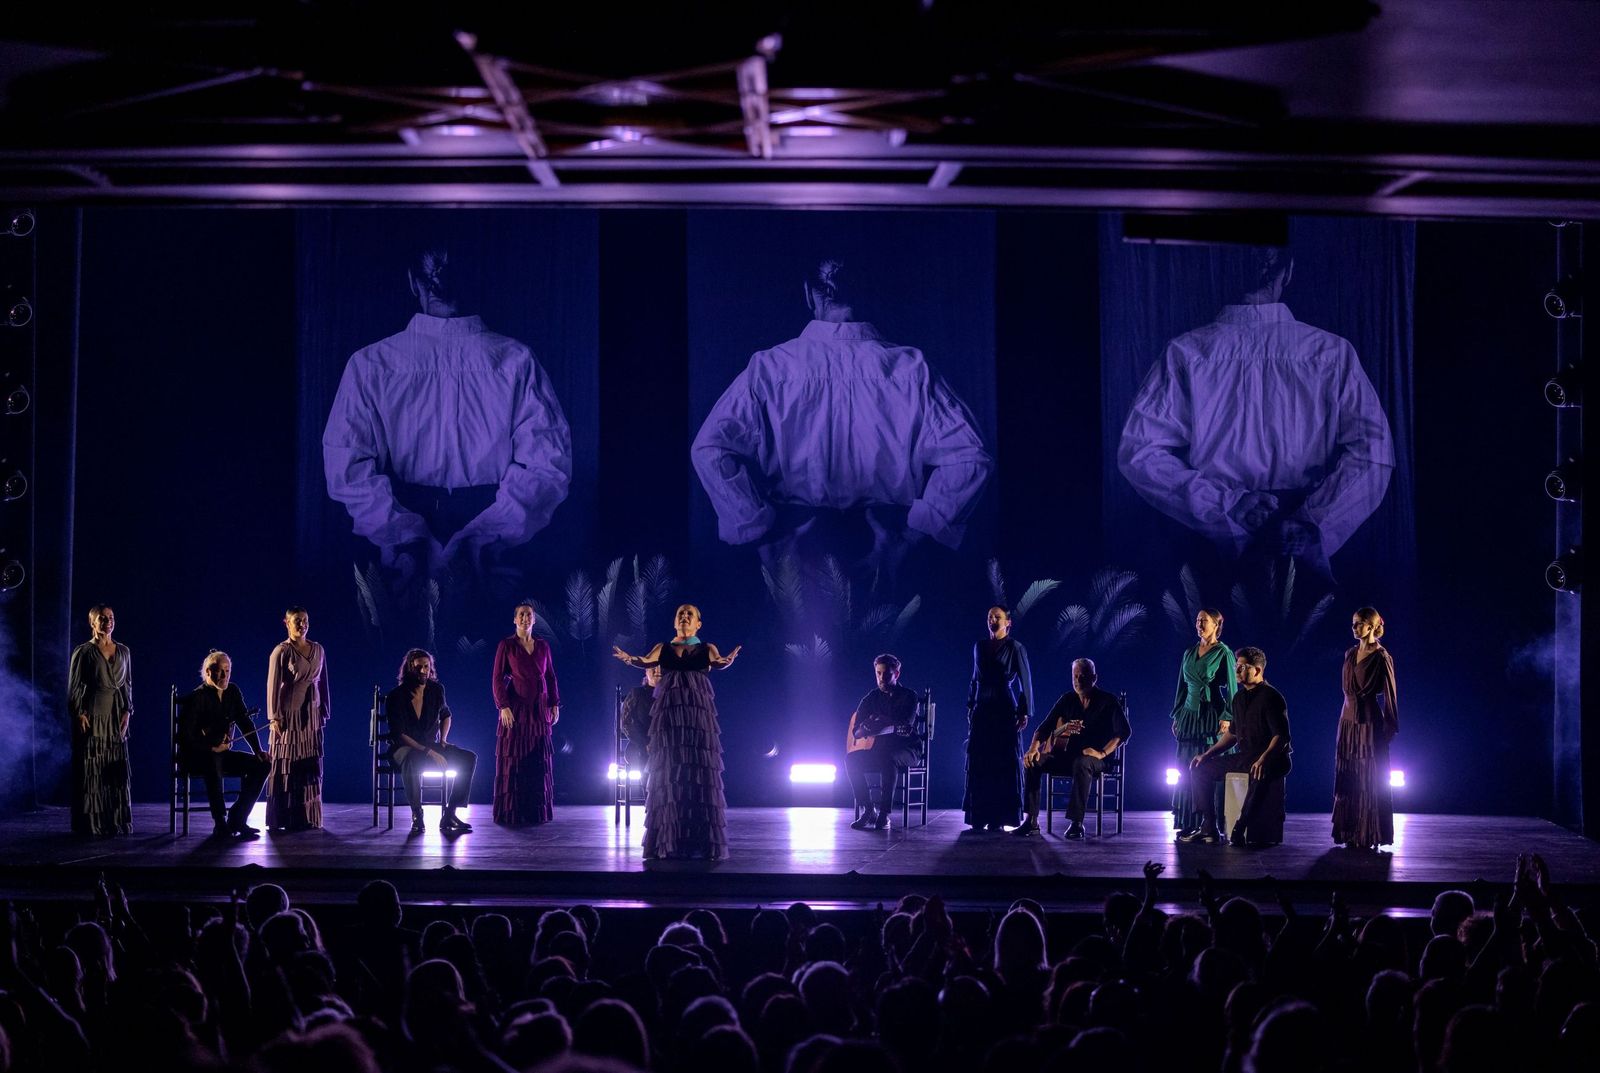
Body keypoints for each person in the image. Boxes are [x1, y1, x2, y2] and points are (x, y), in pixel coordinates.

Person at [690, 259, 992, 582]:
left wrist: (760, 532)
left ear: (809, 294)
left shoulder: (768, 370)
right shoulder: (913, 370)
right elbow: (970, 458)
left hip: (797, 547)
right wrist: (907, 538)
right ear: (867, 291)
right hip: (887, 548)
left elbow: (710, 449)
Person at [1118, 249, 1394, 578]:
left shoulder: (1186, 353)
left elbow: (1138, 453)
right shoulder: (1332, 353)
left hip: (1212, 547)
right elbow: (1375, 453)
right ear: (1288, 272)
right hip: (1294, 542)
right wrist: (1315, 521)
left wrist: (1225, 506)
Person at [322, 244, 573, 586]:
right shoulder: (517, 361)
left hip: (415, 550)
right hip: (493, 546)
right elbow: (549, 464)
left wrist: (403, 535)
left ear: (414, 283)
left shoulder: (370, 364)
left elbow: (347, 467)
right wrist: (490, 534)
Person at [612, 604, 741, 860]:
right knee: (670, 772)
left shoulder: (706, 648)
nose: (684, 617)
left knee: (698, 771)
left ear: (698, 624)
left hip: (697, 715)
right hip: (669, 713)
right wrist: (629, 659)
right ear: (674, 622)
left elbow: (719, 662)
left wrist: (728, 660)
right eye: (680, 613)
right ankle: (669, 840)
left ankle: (700, 841)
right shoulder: (664, 648)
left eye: (689, 614)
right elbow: (644, 661)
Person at [1181, 646, 1291, 845]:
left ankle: (1241, 827)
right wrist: (1206, 755)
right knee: (1201, 768)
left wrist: (1264, 758)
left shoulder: (1272, 697)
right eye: (1236, 666)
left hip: (1273, 757)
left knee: (1259, 772)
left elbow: (1281, 736)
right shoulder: (1238, 698)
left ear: (1257, 670)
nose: (1237, 671)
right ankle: (1209, 826)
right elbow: (1232, 733)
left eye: (1242, 667)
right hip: (1247, 755)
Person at [1015, 658, 1129, 839]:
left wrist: (1101, 753)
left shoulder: (1108, 701)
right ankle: (1032, 821)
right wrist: (1033, 749)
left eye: (1083, 676)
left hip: (1095, 760)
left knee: (1082, 763)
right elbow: (1044, 728)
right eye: (1075, 676)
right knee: (1034, 761)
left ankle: (1076, 823)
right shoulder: (1067, 699)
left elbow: (1122, 733)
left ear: (1094, 678)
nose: (1078, 681)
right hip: (1066, 757)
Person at [177, 650, 270, 838]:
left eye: (227, 671)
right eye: (220, 671)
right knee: (213, 760)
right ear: (209, 672)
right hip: (197, 756)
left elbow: (244, 722)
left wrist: (258, 750)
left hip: (220, 755)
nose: (224, 676)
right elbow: (186, 737)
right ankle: (220, 823)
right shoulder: (198, 697)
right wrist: (211, 747)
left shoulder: (232, 691)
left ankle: (237, 818)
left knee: (262, 765)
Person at [387, 648, 477, 835]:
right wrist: (429, 752)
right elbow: (399, 733)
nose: (423, 671)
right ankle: (417, 814)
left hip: (430, 746)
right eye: (418, 667)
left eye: (426, 667)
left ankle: (450, 814)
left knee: (468, 758)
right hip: (403, 747)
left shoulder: (436, 690)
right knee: (411, 760)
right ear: (409, 669)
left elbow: (446, 715)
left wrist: (443, 740)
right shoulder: (397, 695)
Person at [1331, 606, 1399, 850]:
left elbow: (1390, 694)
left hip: (1369, 723)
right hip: (1347, 721)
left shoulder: (1382, 657)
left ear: (1371, 626)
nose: (1354, 627)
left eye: (1359, 623)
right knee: (1349, 775)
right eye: (1353, 623)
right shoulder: (1349, 654)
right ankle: (1349, 831)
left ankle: (1368, 833)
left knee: (1368, 778)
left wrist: (1390, 727)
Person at [491, 603, 561, 825]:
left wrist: (554, 702)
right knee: (515, 759)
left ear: (534, 620)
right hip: (516, 708)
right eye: (521, 615)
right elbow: (496, 679)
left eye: (529, 615)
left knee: (538, 760)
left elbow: (550, 676)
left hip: (539, 710)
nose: (525, 618)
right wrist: (503, 706)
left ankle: (535, 812)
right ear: (515, 620)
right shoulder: (507, 645)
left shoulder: (543, 646)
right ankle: (513, 812)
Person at [964, 606, 1033, 831]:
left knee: (1002, 762)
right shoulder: (979, 646)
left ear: (1008, 622)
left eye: (997, 617)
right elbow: (974, 678)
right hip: (982, 707)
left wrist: (1024, 711)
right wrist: (970, 705)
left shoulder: (1015, 647)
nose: (992, 620)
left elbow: (1025, 681)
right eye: (989, 617)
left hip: (1004, 706)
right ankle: (979, 815)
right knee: (980, 760)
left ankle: (1000, 817)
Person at [67, 604, 133, 836]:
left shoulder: (123, 651)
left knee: (113, 771)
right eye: (102, 619)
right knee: (92, 768)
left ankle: (114, 822)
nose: (107, 622)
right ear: (92, 623)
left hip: (116, 716)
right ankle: (92, 825)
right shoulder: (84, 651)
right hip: (94, 713)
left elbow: (126, 685)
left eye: (111, 618)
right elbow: (74, 687)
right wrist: (79, 712)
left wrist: (127, 711)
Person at [1171, 608, 1235, 837]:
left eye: (1204, 621)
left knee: (1205, 767)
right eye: (1197, 620)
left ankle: (1210, 823)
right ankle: (1188, 820)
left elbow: (1232, 688)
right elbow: (1181, 687)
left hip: (1210, 715)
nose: (1199, 624)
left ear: (1217, 624)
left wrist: (1228, 716)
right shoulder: (1189, 652)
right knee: (1184, 767)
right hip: (1189, 715)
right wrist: (1177, 714)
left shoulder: (1223, 653)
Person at [265, 606, 331, 831]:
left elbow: (323, 682)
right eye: (297, 620)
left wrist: (324, 709)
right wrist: (274, 717)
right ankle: (285, 817)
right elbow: (272, 685)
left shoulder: (319, 649)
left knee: (310, 763)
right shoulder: (281, 651)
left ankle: (307, 817)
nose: (301, 624)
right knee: (288, 763)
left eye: (304, 620)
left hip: (311, 712)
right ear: (287, 623)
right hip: (289, 713)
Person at [844, 654, 922, 831]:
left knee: (888, 759)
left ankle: (884, 814)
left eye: (886, 674)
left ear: (897, 674)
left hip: (907, 748)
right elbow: (856, 732)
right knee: (851, 760)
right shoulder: (870, 698)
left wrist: (883, 720)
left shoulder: (909, 696)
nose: (881, 678)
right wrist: (867, 726)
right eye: (878, 673)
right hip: (879, 749)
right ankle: (868, 809)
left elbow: (906, 724)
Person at [619, 665, 661, 768]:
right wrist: (644, 742)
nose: (658, 670)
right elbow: (626, 722)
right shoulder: (637, 694)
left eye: (661, 666)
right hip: (642, 749)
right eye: (654, 667)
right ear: (646, 671)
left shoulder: (673, 695)